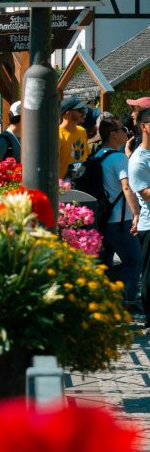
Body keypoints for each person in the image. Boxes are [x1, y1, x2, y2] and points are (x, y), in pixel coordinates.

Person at [94, 115, 142, 312]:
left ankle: (102, 301)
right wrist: (136, 214)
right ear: (113, 134)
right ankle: (127, 302)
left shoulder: (98, 155)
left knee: (103, 263)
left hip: (101, 219)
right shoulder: (118, 157)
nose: (126, 131)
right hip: (119, 220)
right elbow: (127, 187)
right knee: (134, 261)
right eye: (122, 129)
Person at [128, 107, 150, 321]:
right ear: (144, 126)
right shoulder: (138, 159)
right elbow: (144, 193)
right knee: (148, 276)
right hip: (148, 225)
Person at [58, 95, 90, 179]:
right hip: (62, 187)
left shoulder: (82, 131)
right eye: (80, 110)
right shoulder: (57, 135)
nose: (84, 113)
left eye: (84, 109)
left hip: (80, 184)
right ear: (67, 113)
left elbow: (85, 157)